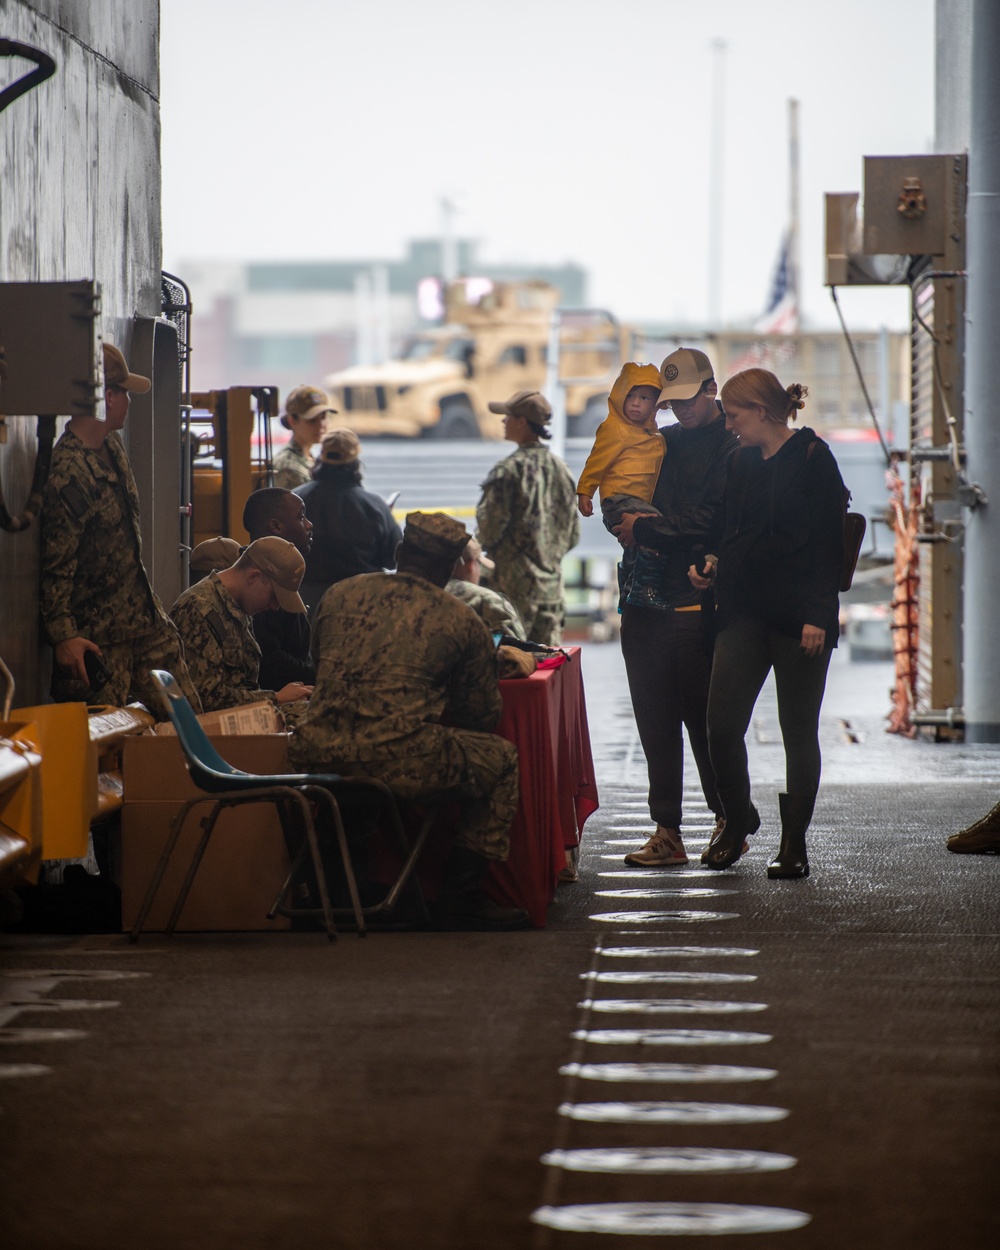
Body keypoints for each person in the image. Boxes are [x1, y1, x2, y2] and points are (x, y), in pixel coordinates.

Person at [289, 512, 527, 931]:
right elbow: (480, 717)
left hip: (317, 749)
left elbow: (317, 663)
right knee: (500, 760)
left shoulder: (339, 593)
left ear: (399, 553)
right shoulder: (461, 619)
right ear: (451, 567)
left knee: (357, 767)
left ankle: (341, 885)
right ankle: (460, 898)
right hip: (399, 758)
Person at [693, 368, 846, 879]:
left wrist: (819, 616)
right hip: (742, 612)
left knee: (797, 732)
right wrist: (712, 563)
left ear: (761, 411)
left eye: (734, 415)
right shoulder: (739, 463)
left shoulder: (812, 458)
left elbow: (829, 545)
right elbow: (728, 530)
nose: (729, 424)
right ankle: (737, 822)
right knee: (720, 725)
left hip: (800, 620)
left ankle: (793, 844)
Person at [612, 347, 736, 867]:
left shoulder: (736, 447)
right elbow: (617, 497)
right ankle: (667, 830)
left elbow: (710, 522)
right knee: (654, 723)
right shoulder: (658, 442)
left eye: (688, 399)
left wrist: (645, 528)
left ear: (712, 389)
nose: (680, 411)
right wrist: (631, 517)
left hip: (697, 608)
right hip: (644, 605)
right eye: (671, 403)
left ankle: (728, 819)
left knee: (708, 726)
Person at [39, 342, 202, 712]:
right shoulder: (70, 472)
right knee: (102, 745)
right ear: (108, 397)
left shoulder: (111, 447)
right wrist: (64, 638)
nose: (130, 401)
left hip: (142, 621)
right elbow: (56, 567)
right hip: (99, 639)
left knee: (189, 722)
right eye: (125, 392)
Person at [475, 390, 579, 645]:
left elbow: (488, 531)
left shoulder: (509, 471)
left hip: (512, 595)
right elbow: (573, 535)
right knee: (547, 669)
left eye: (508, 416)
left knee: (513, 669)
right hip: (551, 592)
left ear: (522, 422)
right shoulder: (561, 470)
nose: (503, 422)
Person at [169, 536, 313, 715]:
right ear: (254, 576)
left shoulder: (238, 607)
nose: (275, 606)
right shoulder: (201, 609)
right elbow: (204, 699)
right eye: (274, 596)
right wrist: (276, 698)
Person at [294, 428, 402, 614]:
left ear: (321, 459)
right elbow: (395, 558)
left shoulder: (296, 500)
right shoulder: (374, 506)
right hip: (363, 607)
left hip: (307, 606)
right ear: (356, 463)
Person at [575, 361, 665, 529]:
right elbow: (596, 461)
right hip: (620, 500)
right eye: (629, 396)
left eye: (644, 398)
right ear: (619, 396)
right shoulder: (615, 429)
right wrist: (585, 491)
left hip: (638, 502)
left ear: (656, 403)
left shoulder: (653, 435)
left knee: (643, 543)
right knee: (657, 526)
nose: (635, 403)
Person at [242, 488, 315, 689]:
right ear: (275, 526)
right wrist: (322, 676)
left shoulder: (278, 569)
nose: (309, 525)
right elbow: (271, 661)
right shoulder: (261, 582)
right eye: (301, 517)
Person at [446, 537, 526, 640]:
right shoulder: (487, 600)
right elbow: (518, 652)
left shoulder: (424, 589)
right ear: (470, 565)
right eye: (479, 563)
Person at [272, 385, 337, 489]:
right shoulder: (288, 466)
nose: (320, 425)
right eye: (312, 420)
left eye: (323, 416)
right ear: (292, 421)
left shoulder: (311, 458)